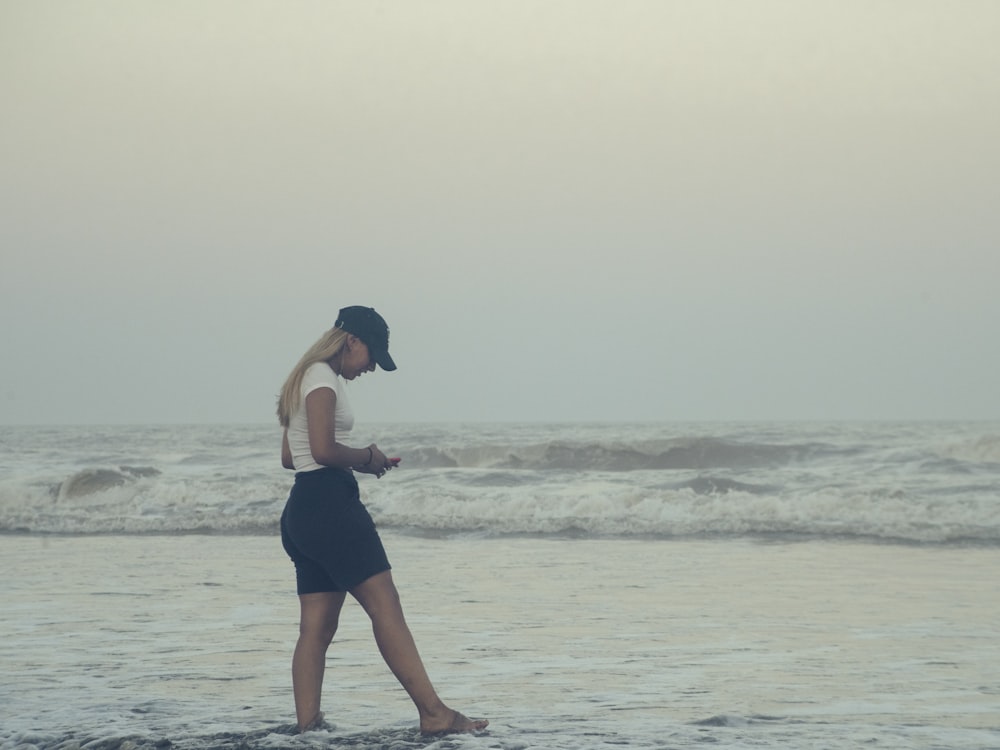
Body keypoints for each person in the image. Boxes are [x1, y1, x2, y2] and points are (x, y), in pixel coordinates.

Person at [275, 305, 488, 736]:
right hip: (330, 506)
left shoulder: (304, 376)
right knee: (385, 605)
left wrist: (357, 460)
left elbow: (289, 457)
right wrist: (367, 458)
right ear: (351, 340)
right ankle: (434, 713)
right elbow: (322, 451)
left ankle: (307, 727)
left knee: (316, 626)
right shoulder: (321, 377)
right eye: (372, 356)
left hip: (302, 510)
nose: (371, 366)